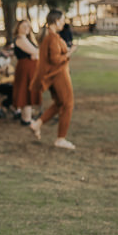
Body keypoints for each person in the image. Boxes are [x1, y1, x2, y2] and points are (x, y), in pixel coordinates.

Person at [29, 9, 75, 150]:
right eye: (62, 20)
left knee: (60, 103)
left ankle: (37, 124)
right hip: (58, 75)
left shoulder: (51, 37)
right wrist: (70, 52)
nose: (64, 23)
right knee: (68, 104)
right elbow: (55, 60)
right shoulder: (52, 38)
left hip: (56, 75)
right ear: (56, 21)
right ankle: (61, 139)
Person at [11, 19, 40, 125]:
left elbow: (36, 54)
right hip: (25, 69)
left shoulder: (26, 39)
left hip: (29, 68)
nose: (26, 28)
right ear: (18, 28)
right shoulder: (20, 39)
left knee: (28, 92)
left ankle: (26, 117)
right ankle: (26, 119)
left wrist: (35, 55)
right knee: (26, 93)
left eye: (28, 26)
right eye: (23, 26)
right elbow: (35, 52)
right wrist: (35, 54)